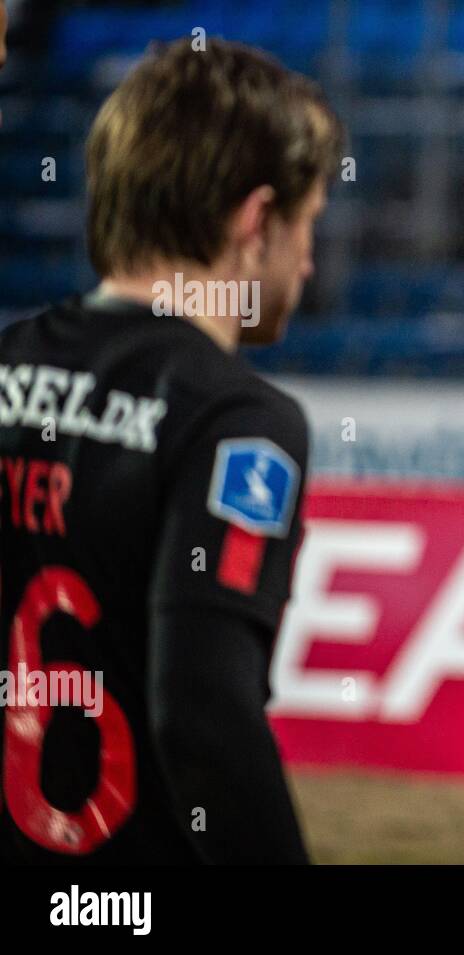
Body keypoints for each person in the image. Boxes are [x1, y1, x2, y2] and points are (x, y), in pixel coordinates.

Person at [0, 38, 342, 863]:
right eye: (307, 223)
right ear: (254, 222)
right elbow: (202, 709)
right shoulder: (237, 419)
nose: (308, 259)